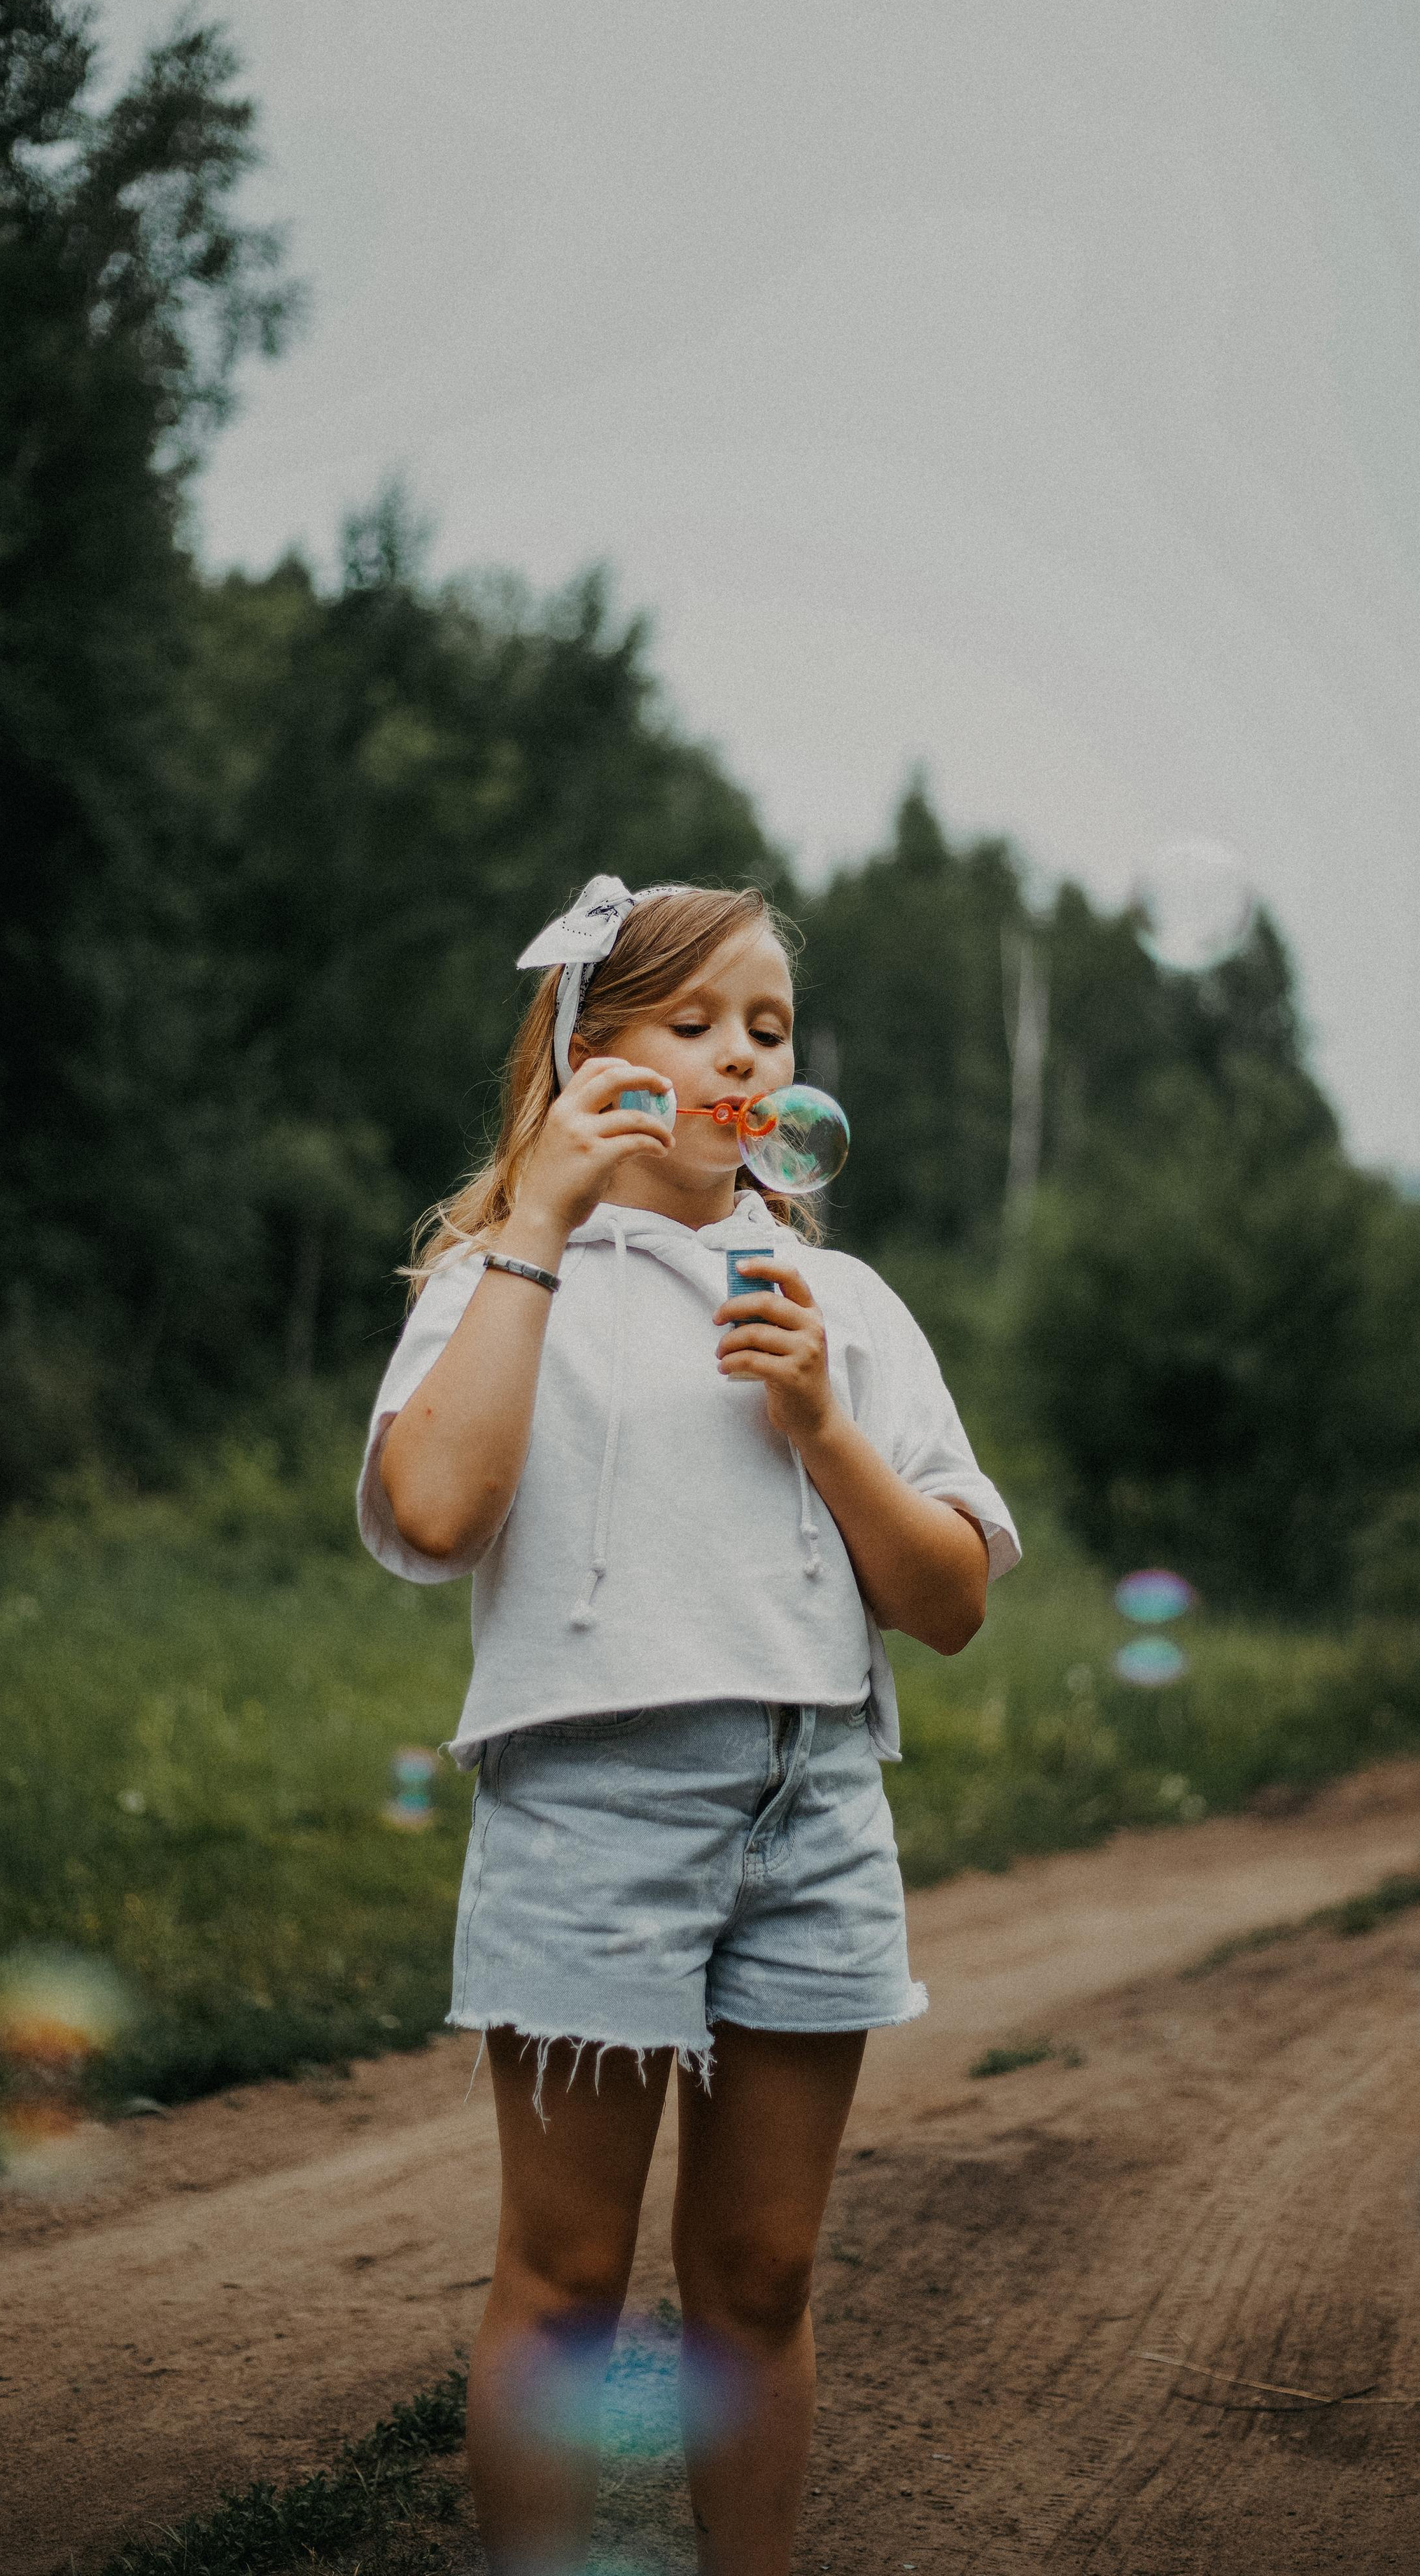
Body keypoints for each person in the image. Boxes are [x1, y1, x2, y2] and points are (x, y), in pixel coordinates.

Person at [359, 876, 1019, 2576]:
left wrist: (817, 1420)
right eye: (694, 1020)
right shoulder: (502, 1282)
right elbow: (432, 1519)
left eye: (771, 1027)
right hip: (594, 1802)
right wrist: (536, 1233)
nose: (742, 1055)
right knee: (568, 2278)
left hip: (810, 1810)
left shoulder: (842, 1304)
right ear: (592, 1055)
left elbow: (945, 1604)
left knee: (762, 2279)